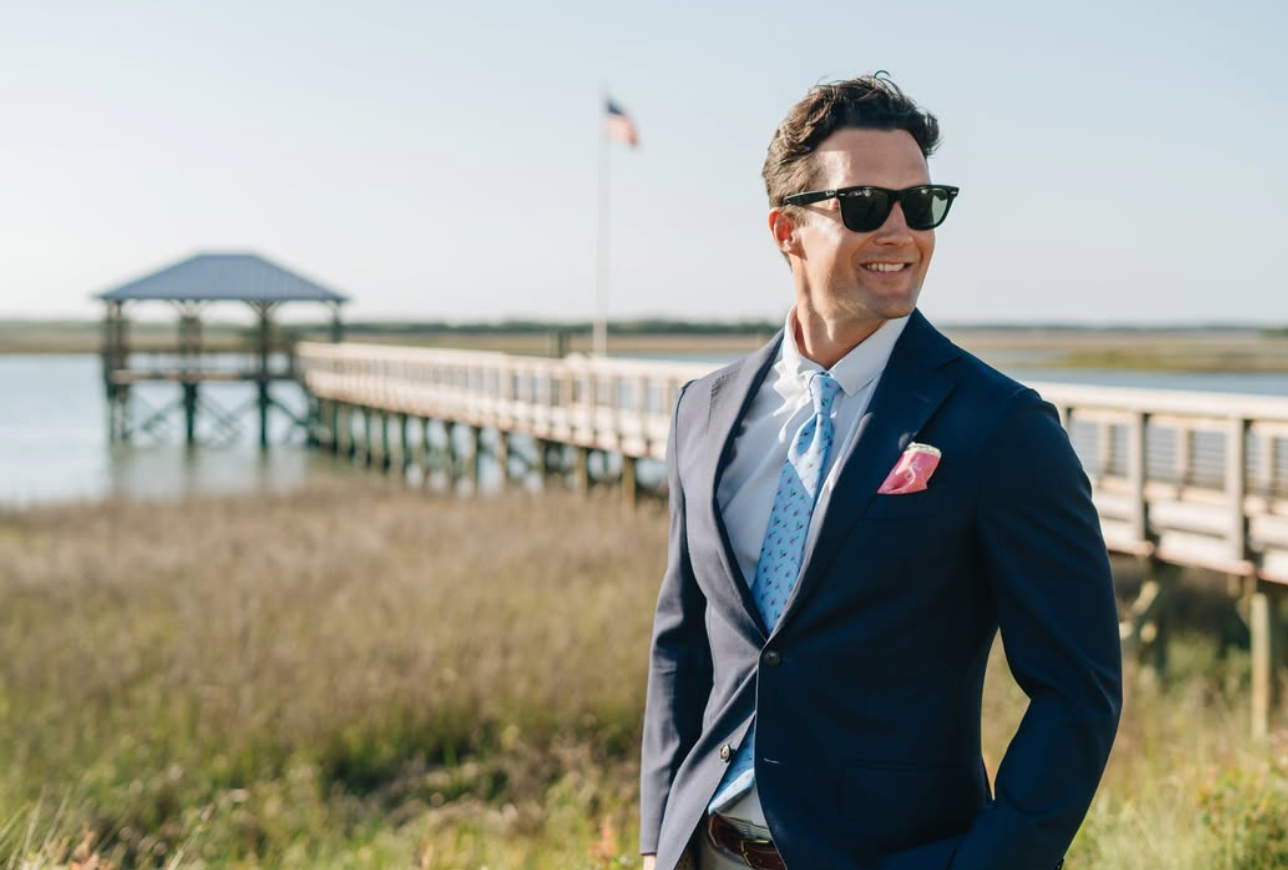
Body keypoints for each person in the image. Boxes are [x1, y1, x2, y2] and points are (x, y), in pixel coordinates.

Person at [639, 73, 1122, 870]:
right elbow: (681, 645)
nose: (902, 232)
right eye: (866, 206)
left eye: (921, 206)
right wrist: (660, 842)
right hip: (705, 852)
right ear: (786, 232)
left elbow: (1079, 694)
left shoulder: (1003, 428)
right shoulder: (705, 410)